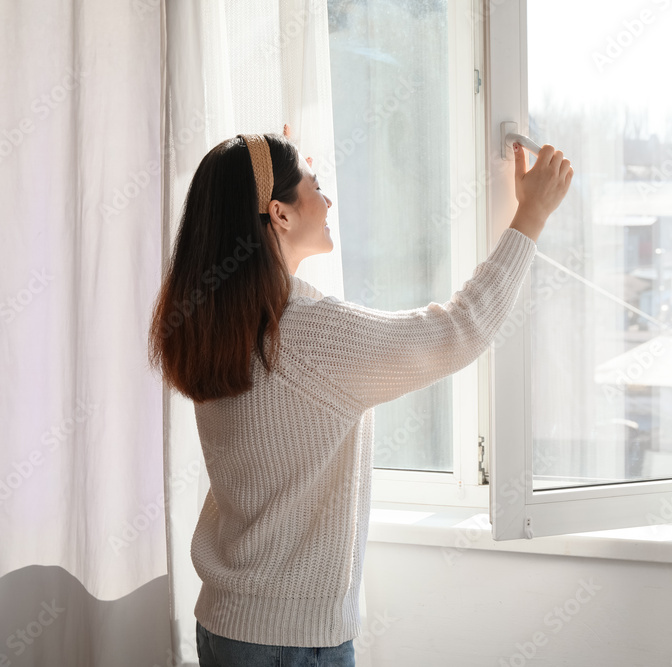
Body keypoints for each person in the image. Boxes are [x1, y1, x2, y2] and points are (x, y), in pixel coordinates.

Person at [148, 128, 572, 667]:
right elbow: (460, 331)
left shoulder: (215, 326)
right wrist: (529, 217)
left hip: (225, 625)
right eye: (316, 186)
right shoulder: (307, 334)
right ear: (279, 214)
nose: (328, 201)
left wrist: (273, 162)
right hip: (289, 644)